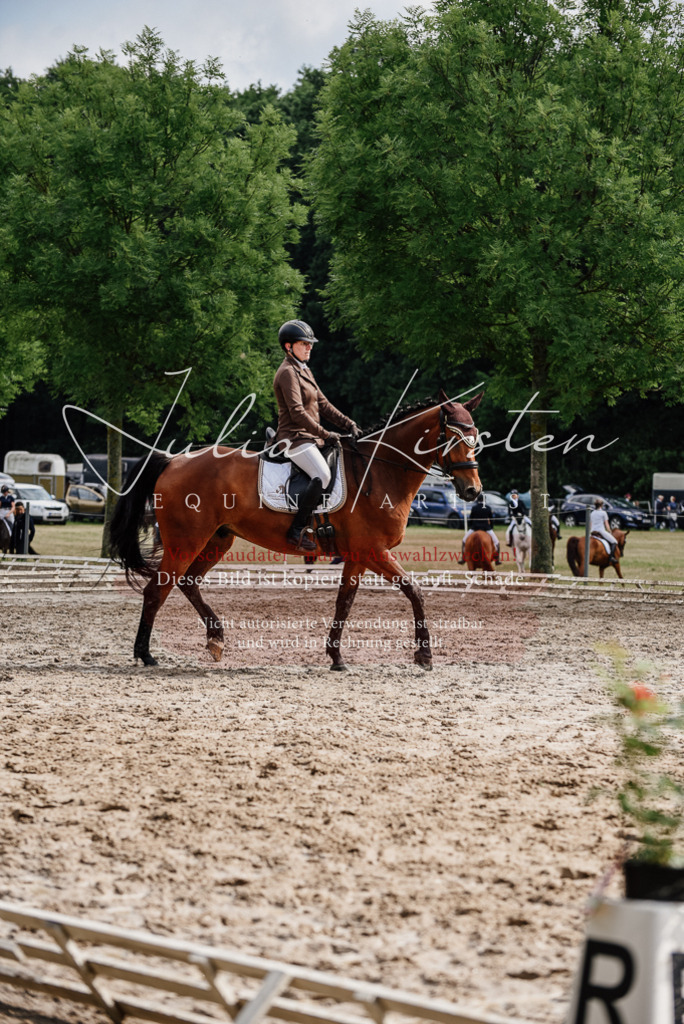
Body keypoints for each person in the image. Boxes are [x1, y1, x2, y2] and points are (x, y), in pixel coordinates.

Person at [273, 320, 360, 552]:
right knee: (321, 474)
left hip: (310, 438)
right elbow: (297, 412)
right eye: (304, 344)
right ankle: (296, 530)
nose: (309, 348)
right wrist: (325, 433)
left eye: (310, 344)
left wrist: (348, 423)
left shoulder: (304, 370)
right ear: (289, 347)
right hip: (294, 438)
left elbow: (323, 404)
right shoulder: (287, 372)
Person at [462, 493, 500, 564]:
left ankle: (463, 558)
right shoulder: (488, 508)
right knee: (497, 542)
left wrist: (471, 527)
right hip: (486, 528)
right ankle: (497, 560)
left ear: (477, 500)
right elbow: (491, 520)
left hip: (475, 528)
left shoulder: (474, 508)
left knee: (464, 541)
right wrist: (491, 527)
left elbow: (471, 519)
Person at [590, 497, 618, 564]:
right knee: (614, 542)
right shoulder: (603, 513)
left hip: (592, 532)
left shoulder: (592, 513)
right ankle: (611, 557)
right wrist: (610, 531)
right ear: (601, 505)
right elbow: (607, 524)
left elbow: (590, 524)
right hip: (600, 531)